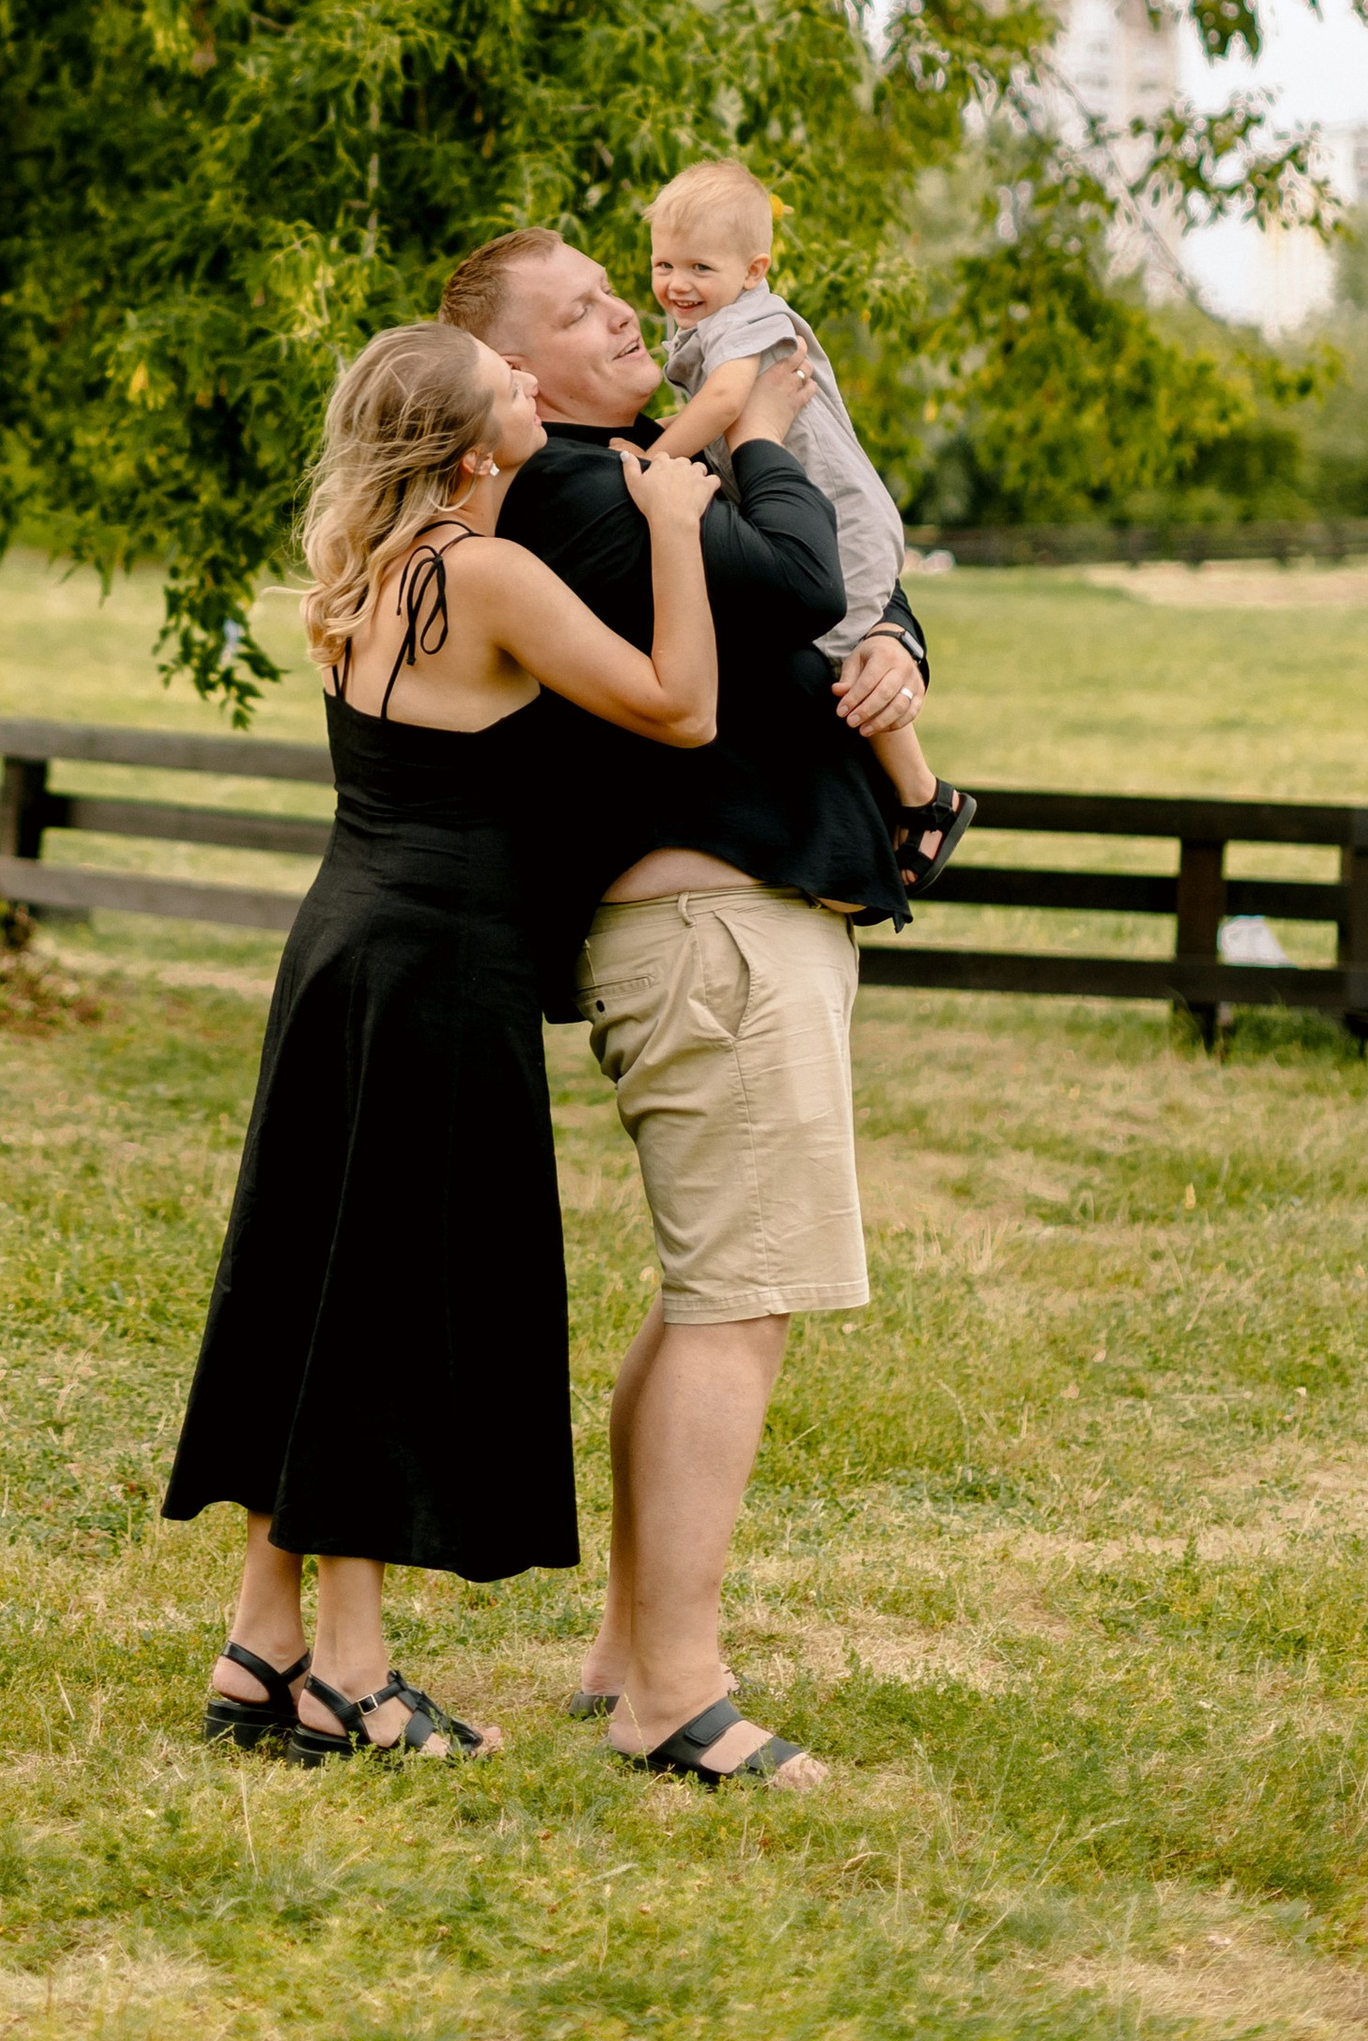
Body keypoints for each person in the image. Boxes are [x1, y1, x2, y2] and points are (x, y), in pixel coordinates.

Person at [163, 317, 723, 1762]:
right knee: (388, 1297)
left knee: (320, 1274)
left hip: (344, 938)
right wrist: (671, 518)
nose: (537, 385)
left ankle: (261, 1638)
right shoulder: (486, 575)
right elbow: (679, 705)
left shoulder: (370, 568)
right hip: (439, 962)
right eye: (511, 386)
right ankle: (349, 1670)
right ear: (476, 450)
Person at [439, 227, 933, 1791]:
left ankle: (628, 1655)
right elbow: (795, 583)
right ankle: (678, 1693)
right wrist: (770, 433)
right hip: (713, 927)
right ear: (515, 371)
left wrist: (902, 656)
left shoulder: (647, 468)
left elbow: (845, 604)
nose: (626, 314)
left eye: (614, 290)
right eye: (581, 311)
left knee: (708, 1289)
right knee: (740, 1299)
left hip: (735, 922)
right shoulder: (581, 491)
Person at [643, 156, 974, 894]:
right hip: (811, 510)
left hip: (841, 518)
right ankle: (906, 794)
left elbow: (728, 404)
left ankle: (923, 796)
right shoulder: (711, 320)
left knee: (845, 650)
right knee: (837, 652)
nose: (676, 284)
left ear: (755, 269)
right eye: (663, 264)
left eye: (701, 266)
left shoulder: (750, 321)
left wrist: (646, 457)